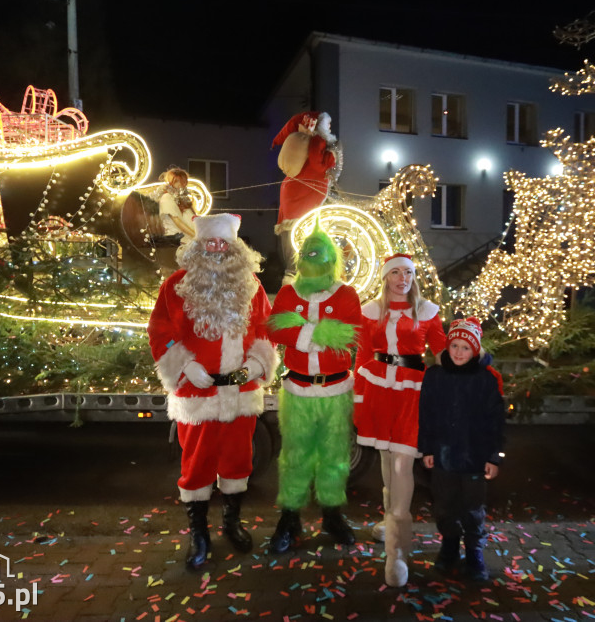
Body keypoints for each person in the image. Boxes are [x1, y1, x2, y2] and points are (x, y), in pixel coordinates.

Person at [147, 213, 278, 570]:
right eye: (211, 242)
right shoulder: (176, 285)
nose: (217, 249)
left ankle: (232, 522)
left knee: (239, 462)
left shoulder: (251, 285)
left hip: (240, 392)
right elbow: (160, 331)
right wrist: (185, 366)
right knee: (197, 464)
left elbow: (266, 329)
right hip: (196, 395)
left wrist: (256, 363)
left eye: (224, 242)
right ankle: (199, 532)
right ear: (198, 245)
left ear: (235, 247)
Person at [266, 221, 363, 553]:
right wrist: (319, 334)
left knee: (334, 457)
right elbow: (276, 328)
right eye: (308, 257)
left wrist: (303, 330)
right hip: (298, 391)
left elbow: (348, 336)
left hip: (336, 391)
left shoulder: (347, 294)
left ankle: (332, 516)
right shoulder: (290, 293)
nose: (313, 264)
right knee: (294, 456)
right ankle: (289, 520)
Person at [354, 253, 447, 587]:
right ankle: (387, 519)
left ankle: (397, 553)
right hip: (379, 389)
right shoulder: (370, 312)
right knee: (385, 461)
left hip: (412, 391)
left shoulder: (427, 311)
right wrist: (359, 398)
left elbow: (442, 351)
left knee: (401, 467)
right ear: (385, 278)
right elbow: (363, 355)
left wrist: (472, 357)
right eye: (395, 272)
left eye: (407, 272)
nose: (402, 278)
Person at [418, 317, 506, 581]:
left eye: (465, 348)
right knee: (444, 505)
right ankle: (449, 546)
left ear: (475, 350)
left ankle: (473, 550)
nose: (458, 352)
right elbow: (427, 414)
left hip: (475, 458)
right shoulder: (435, 376)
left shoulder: (486, 380)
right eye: (454, 345)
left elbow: (496, 421)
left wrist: (494, 456)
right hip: (443, 455)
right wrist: (428, 449)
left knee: (472, 506)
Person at [270, 111, 341, 282]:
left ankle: (291, 274)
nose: (330, 127)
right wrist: (332, 155)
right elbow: (318, 164)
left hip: (293, 190)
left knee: (290, 232)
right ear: (321, 125)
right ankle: (298, 275)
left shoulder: (302, 141)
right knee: (303, 234)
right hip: (304, 194)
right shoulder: (317, 141)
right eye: (328, 124)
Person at [158, 166, 197, 240]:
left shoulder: (184, 199)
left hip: (188, 239)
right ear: (170, 182)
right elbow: (177, 221)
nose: (181, 184)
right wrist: (196, 236)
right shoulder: (167, 197)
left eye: (184, 181)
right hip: (176, 240)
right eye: (177, 181)